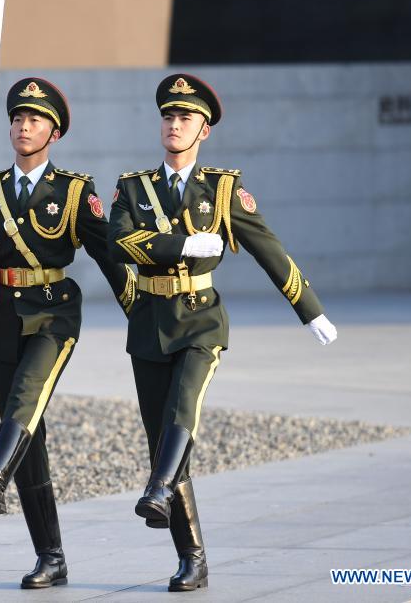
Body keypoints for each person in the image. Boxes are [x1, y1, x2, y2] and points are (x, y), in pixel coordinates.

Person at [108, 73, 338, 592]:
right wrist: (181, 247)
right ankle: (192, 557)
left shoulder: (223, 189)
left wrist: (310, 310)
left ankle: (160, 488)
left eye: (185, 117)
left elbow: (267, 249)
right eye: (168, 116)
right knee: (164, 440)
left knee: (182, 408)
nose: (173, 124)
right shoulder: (131, 187)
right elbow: (119, 240)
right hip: (148, 322)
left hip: (200, 318)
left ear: (203, 131)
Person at [0, 77, 135, 589]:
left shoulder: (75, 191)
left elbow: (107, 254)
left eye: (34, 119)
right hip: (4, 319)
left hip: (54, 314)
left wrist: (139, 313)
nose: (23, 126)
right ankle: (50, 556)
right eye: (17, 118)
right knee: (29, 435)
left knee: (26, 398)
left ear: (53, 132)